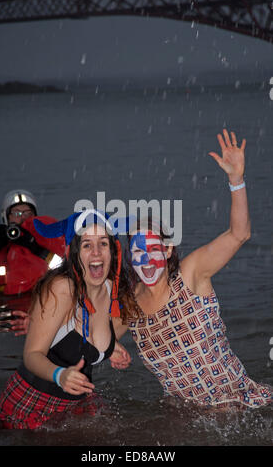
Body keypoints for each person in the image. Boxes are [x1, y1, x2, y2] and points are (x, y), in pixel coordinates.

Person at [113, 129, 273, 409]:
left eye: (153, 249)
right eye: (138, 251)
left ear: (168, 250)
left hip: (238, 405)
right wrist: (108, 348)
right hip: (183, 414)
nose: (147, 260)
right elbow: (95, 339)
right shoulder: (129, 304)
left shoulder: (191, 274)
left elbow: (239, 235)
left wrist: (236, 180)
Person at [0, 209, 131, 429]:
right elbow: (31, 355)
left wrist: (110, 347)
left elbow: (89, 339)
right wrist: (59, 375)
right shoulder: (62, 288)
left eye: (103, 243)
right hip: (32, 405)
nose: (96, 252)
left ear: (113, 250)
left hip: (76, 407)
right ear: (73, 252)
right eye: (87, 244)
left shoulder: (113, 292)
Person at [0, 189, 65, 295]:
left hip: (40, 297)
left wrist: (35, 248)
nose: (23, 218)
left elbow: (64, 266)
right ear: (6, 217)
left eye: (28, 213)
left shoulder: (48, 239)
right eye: (17, 213)